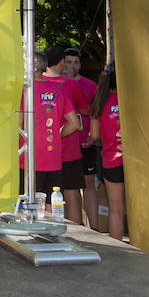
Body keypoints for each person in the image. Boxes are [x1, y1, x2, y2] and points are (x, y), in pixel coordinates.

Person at [20, 49, 80, 206]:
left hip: (28, 160)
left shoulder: (24, 90)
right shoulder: (57, 89)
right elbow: (75, 123)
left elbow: (18, 125)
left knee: (27, 208)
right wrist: (57, 134)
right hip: (53, 158)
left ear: (30, 66)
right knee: (51, 208)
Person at [40, 46, 86, 224]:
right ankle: (77, 230)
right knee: (71, 192)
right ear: (61, 63)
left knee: (46, 195)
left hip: (46, 149)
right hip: (69, 148)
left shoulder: (37, 82)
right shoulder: (71, 84)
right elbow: (84, 110)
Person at [63, 47, 99, 227]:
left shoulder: (90, 85)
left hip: (86, 141)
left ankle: (94, 226)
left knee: (88, 184)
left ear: (80, 64)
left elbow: (95, 113)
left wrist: (93, 135)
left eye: (75, 62)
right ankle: (72, 226)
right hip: (65, 143)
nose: (72, 66)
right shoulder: (57, 83)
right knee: (68, 188)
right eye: (68, 62)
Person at [89, 62, 124, 240]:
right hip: (135, 161)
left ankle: (118, 249)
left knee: (116, 210)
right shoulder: (132, 99)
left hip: (111, 161)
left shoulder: (99, 103)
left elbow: (94, 135)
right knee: (138, 209)